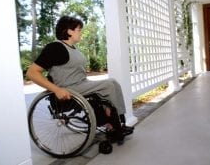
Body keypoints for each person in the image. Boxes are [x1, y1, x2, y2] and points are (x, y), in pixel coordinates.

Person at [26, 15, 134, 145]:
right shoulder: (55, 47)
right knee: (109, 85)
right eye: (79, 29)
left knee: (113, 82)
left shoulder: (74, 49)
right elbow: (32, 73)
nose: (81, 32)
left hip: (82, 84)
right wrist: (56, 89)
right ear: (69, 31)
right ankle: (114, 125)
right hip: (69, 87)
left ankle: (117, 121)